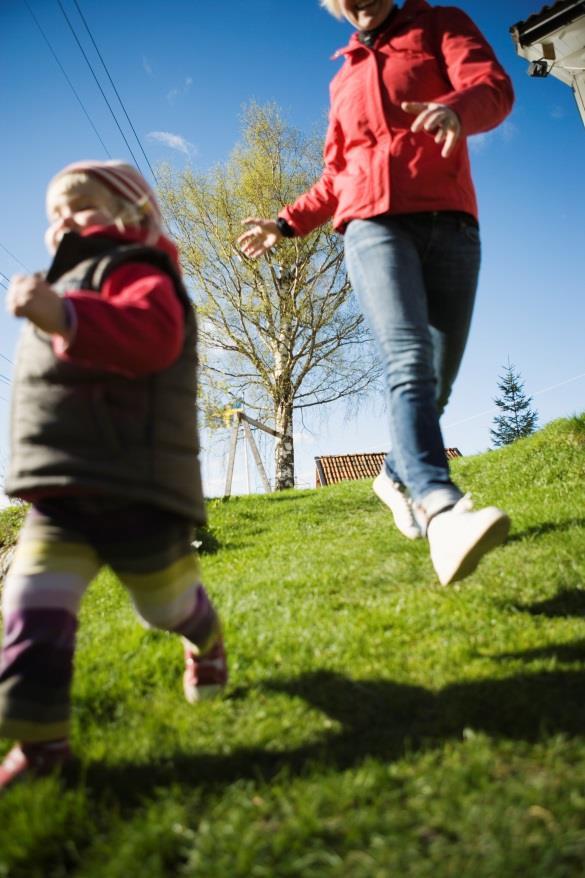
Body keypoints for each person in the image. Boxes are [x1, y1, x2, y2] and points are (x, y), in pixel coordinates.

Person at [238, 0, 514, 586]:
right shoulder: (344, 77)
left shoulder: (440, 26)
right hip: (372, 225)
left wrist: (456, 110)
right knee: (407, 359)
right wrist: (283, 223)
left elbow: (492, 86)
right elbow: (337, 175)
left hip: (453, 222)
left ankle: (393, 475)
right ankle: (441, 509)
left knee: (436, 381)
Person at [0, 160, 227, 790]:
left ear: (133, 213)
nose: (64, 221)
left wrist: (66, 317)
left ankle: (205, 639)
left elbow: (151, 338)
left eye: (81, 205)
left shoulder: (137, 268)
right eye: (54, 214)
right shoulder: (66, 282)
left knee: (164, 604)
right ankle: (42, 745)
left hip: (138, 486)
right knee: (29, 607)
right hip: (62, 490)